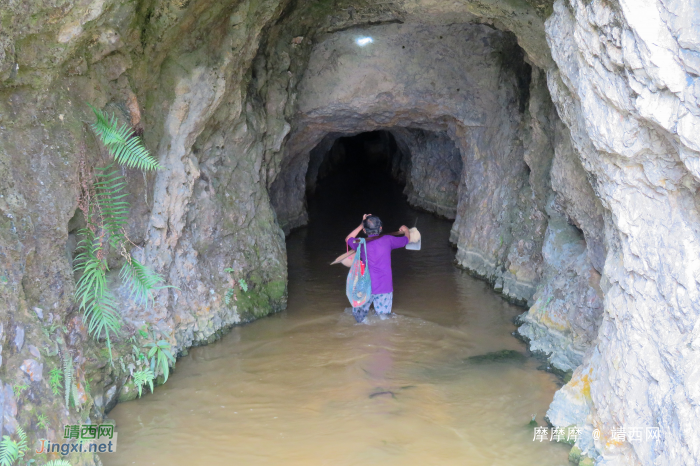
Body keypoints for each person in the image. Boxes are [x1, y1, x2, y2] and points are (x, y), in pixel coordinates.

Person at [345, 214, 410, 323]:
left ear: (365, 231)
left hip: (366, 287)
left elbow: (348, 239)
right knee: (384, 318)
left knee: (359, 317)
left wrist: (361, 224)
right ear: (380, 228)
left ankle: (365, 326)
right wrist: (406, 229)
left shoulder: (360, 242)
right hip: (385, 287)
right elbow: (406, 240)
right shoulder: (389, 240)